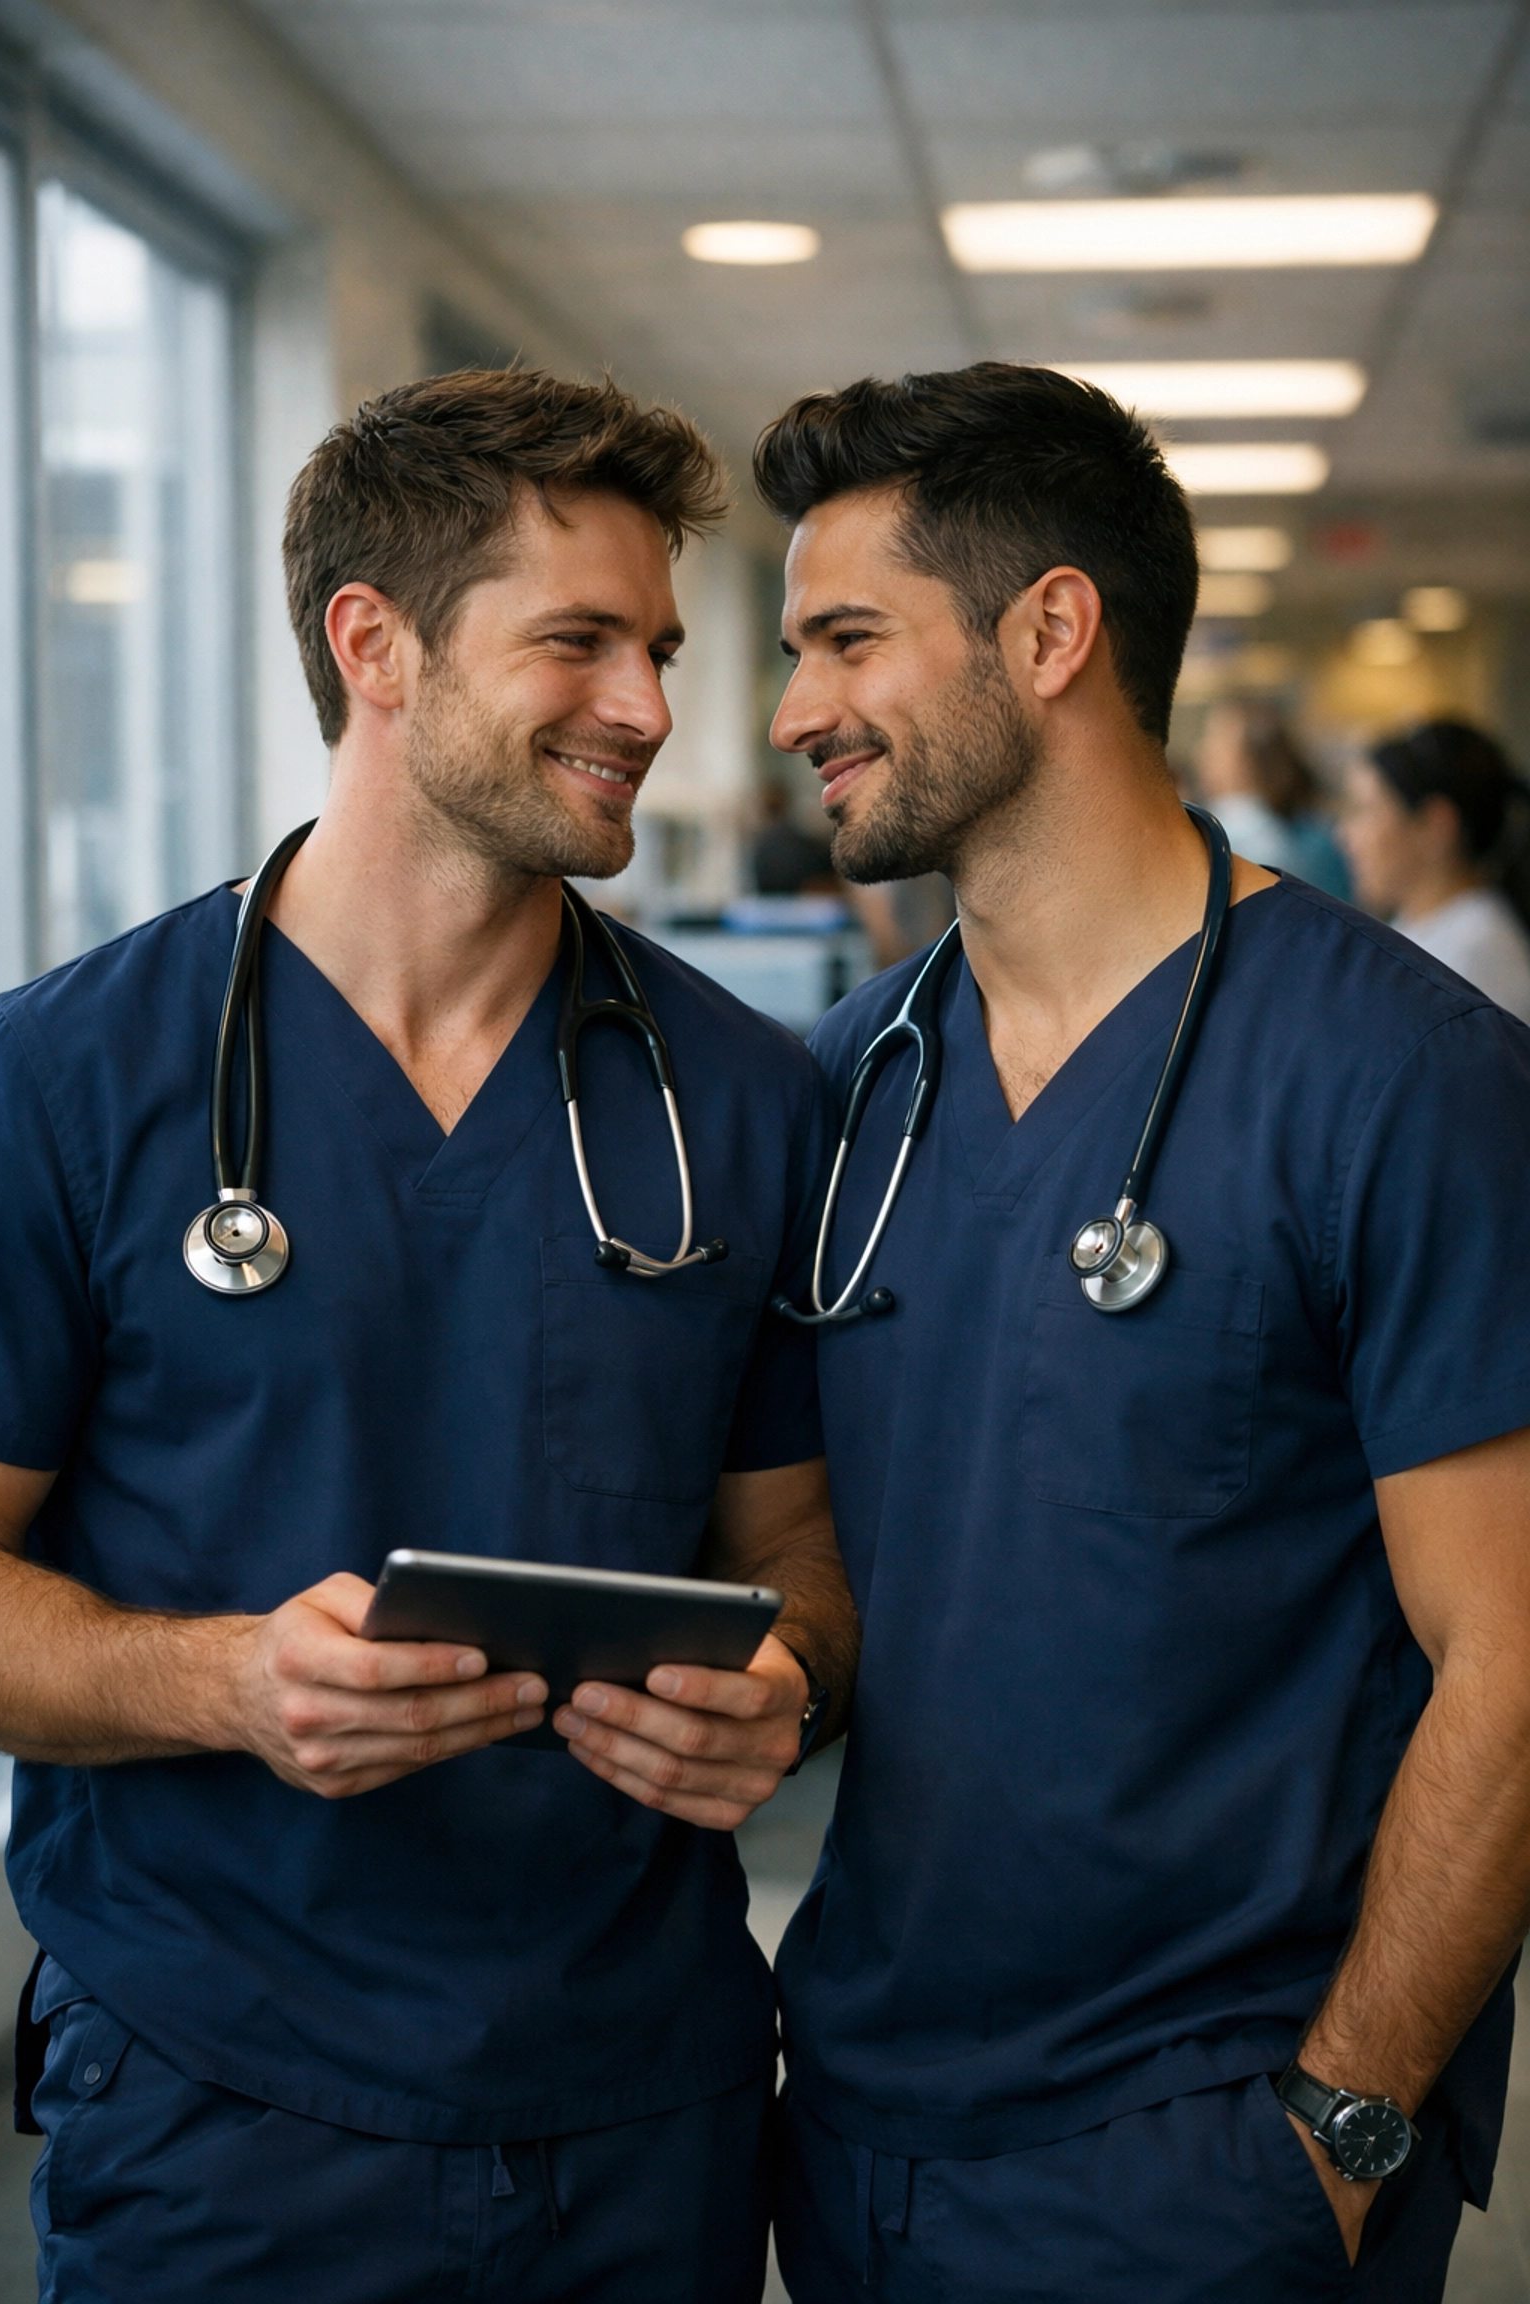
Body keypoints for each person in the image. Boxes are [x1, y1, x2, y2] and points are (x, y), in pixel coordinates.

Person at [0, 367, 858, 2304]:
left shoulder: (733, 1099)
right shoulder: (66, 1082)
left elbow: (797, 1554)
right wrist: (227, 1683)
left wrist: (789, 1682)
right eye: (580, 641)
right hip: (221, 2117)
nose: (648, 707)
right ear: (370, 645)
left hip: (639, 2121)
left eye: (657, 645)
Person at [752, 362, 1530, 2302]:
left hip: (1207, 2160)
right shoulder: (851, 1089)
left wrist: (1340, 2135)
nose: (790, 716)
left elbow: (1514, 1662)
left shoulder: (1404, 1077)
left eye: (848, 640)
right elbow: (856, 1576)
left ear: (1051, 631)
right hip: (854, 2129)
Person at [1339, 720, 1530, 1024]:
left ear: (1436, 825)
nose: (1345, 835)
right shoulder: (1425, 929)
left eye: (1366, 809)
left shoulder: (1476, 956)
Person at [1195, 698, 1350, 898]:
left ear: (1249, 762)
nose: (1203, 750)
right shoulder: (1312, 831)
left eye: (1217, 739)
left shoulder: (1238, 833)